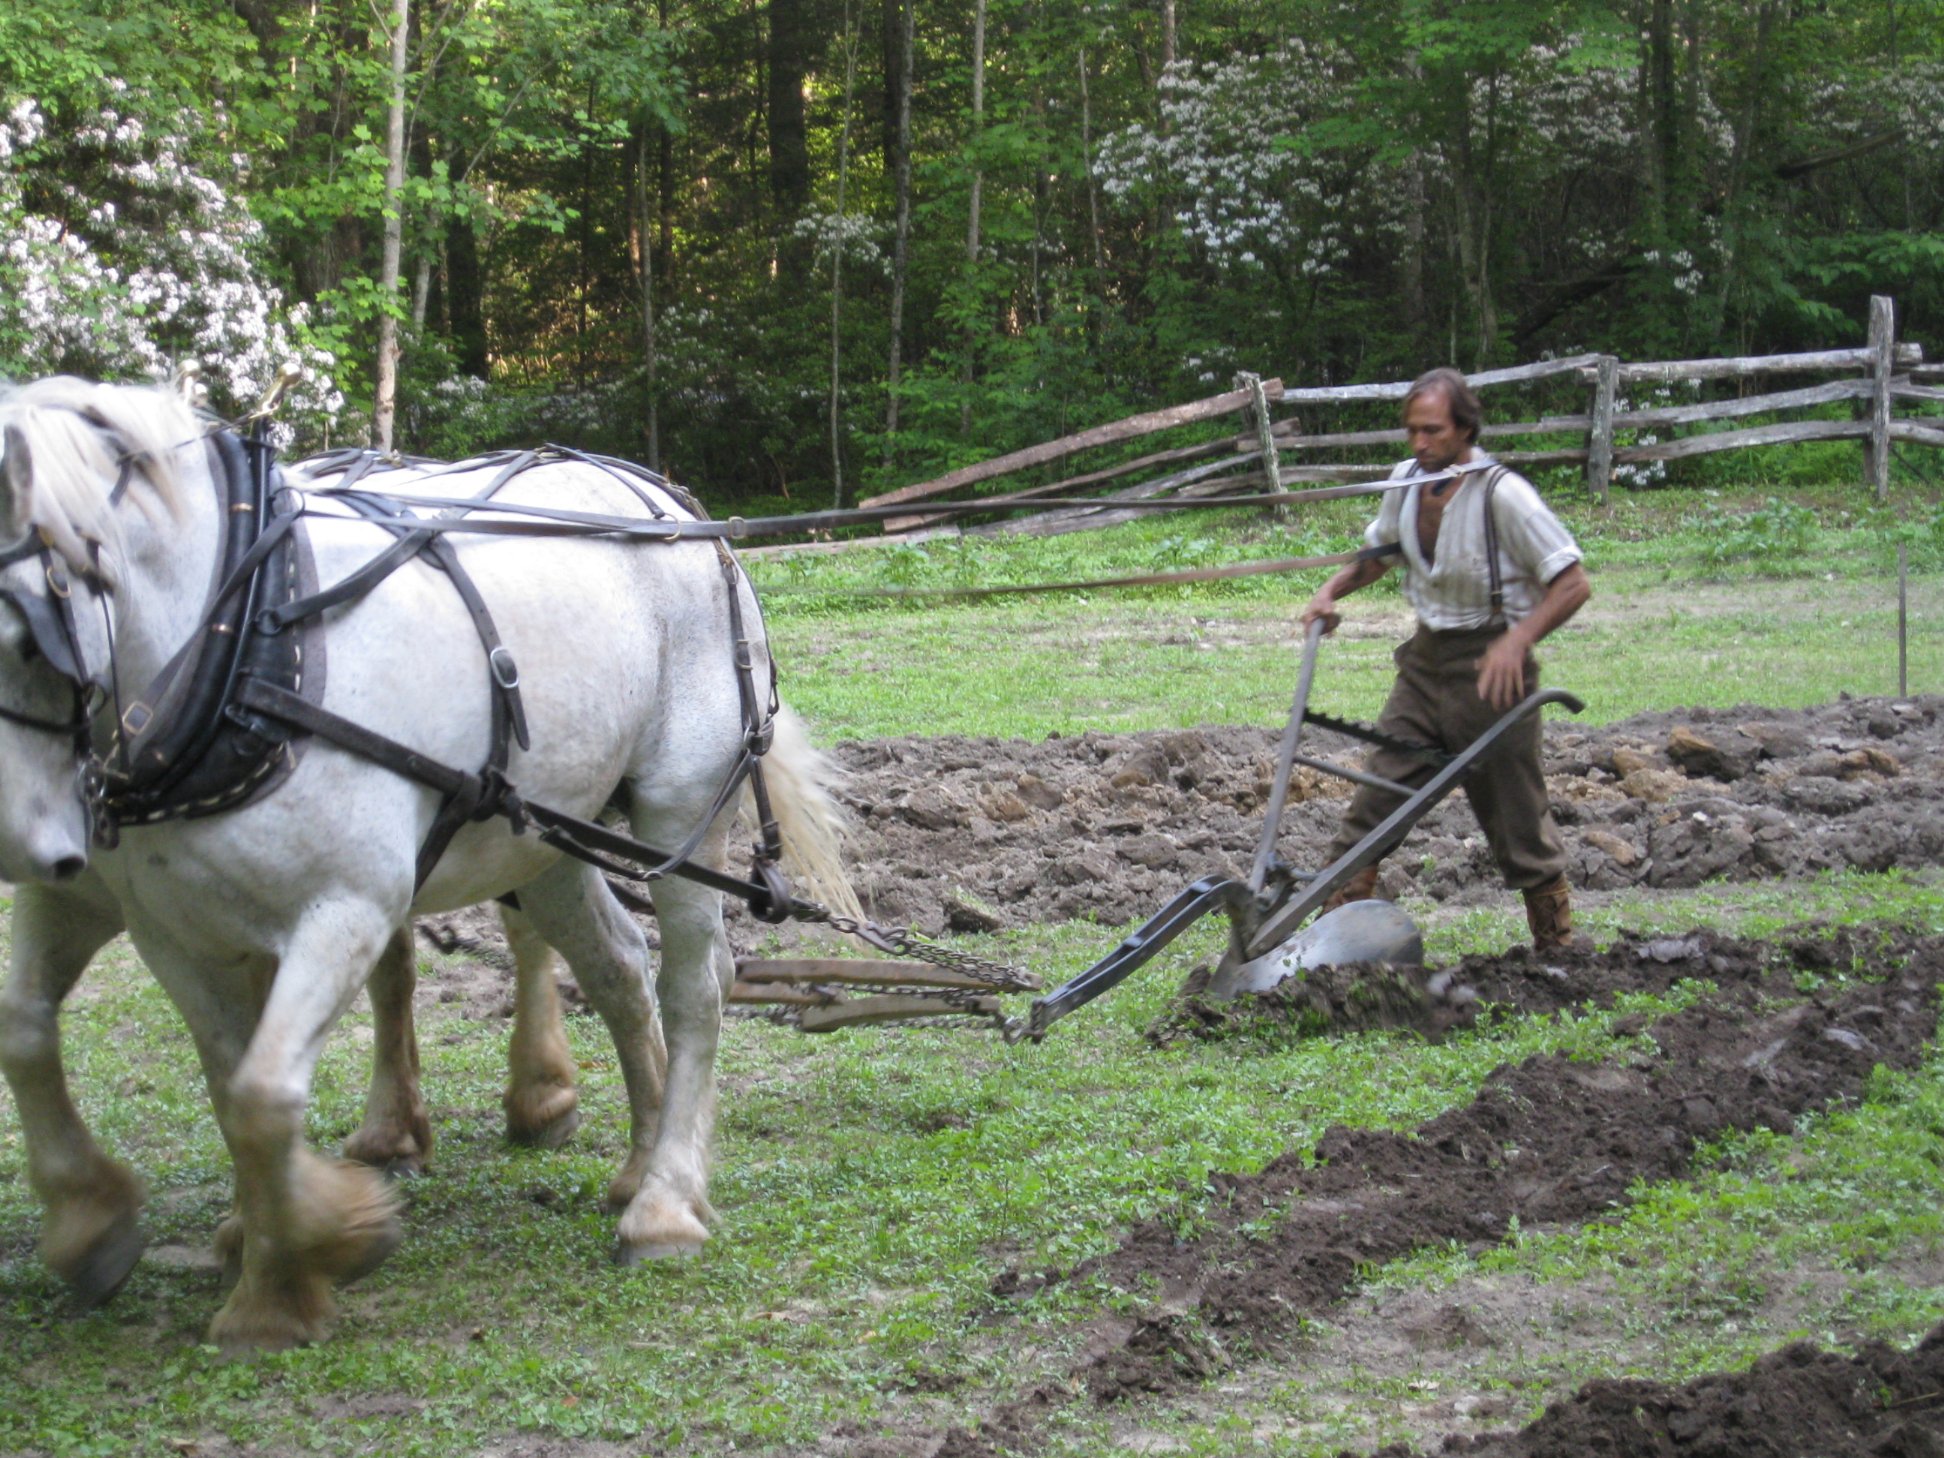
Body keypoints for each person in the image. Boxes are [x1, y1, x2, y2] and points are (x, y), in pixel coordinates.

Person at [1299, 367, 1591, 952]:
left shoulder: (1502, 493)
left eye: (1432, 431)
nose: (1419, 444)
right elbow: (1379, 555)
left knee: (1514, 814)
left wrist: (1517, 641)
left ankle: (1558, 948)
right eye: (1412, 431)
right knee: (1377, 796)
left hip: (1493, 671)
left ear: (1464, 428)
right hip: (1425, 664)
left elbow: (1573, 583)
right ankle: (1328, 946)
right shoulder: (1405, 481)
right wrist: (1330, 592)